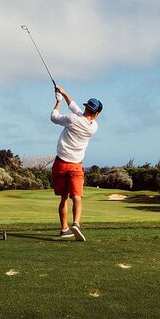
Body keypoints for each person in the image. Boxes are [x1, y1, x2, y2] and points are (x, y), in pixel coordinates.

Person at [50, 85, 102, 241]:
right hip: (76, 166)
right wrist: (64, 93)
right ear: (96, 114)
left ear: (87, 108)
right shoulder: (93, 127)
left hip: (60, 163)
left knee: (64, 198)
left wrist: (58, 101)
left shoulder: (72, 119)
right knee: (77, 196)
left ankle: (64, 229)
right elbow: (76, 109)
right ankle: (76, 224)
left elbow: (54, 117)